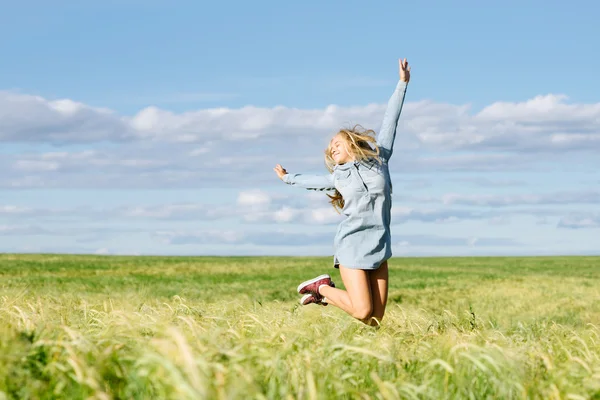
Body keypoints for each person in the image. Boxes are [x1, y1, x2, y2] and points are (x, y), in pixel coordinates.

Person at [273, 58, 410, 326]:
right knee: (361, 310)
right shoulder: (338, 177)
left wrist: (402, 84)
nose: (332, 148)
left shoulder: (380, 158)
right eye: (329, 148)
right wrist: (288, 178)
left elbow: (390, 120)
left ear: (352, 142)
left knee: (375, 320)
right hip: (352, 244)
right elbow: (312, 181)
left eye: (337, 143)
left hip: (380, 243)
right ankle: (321, 288)